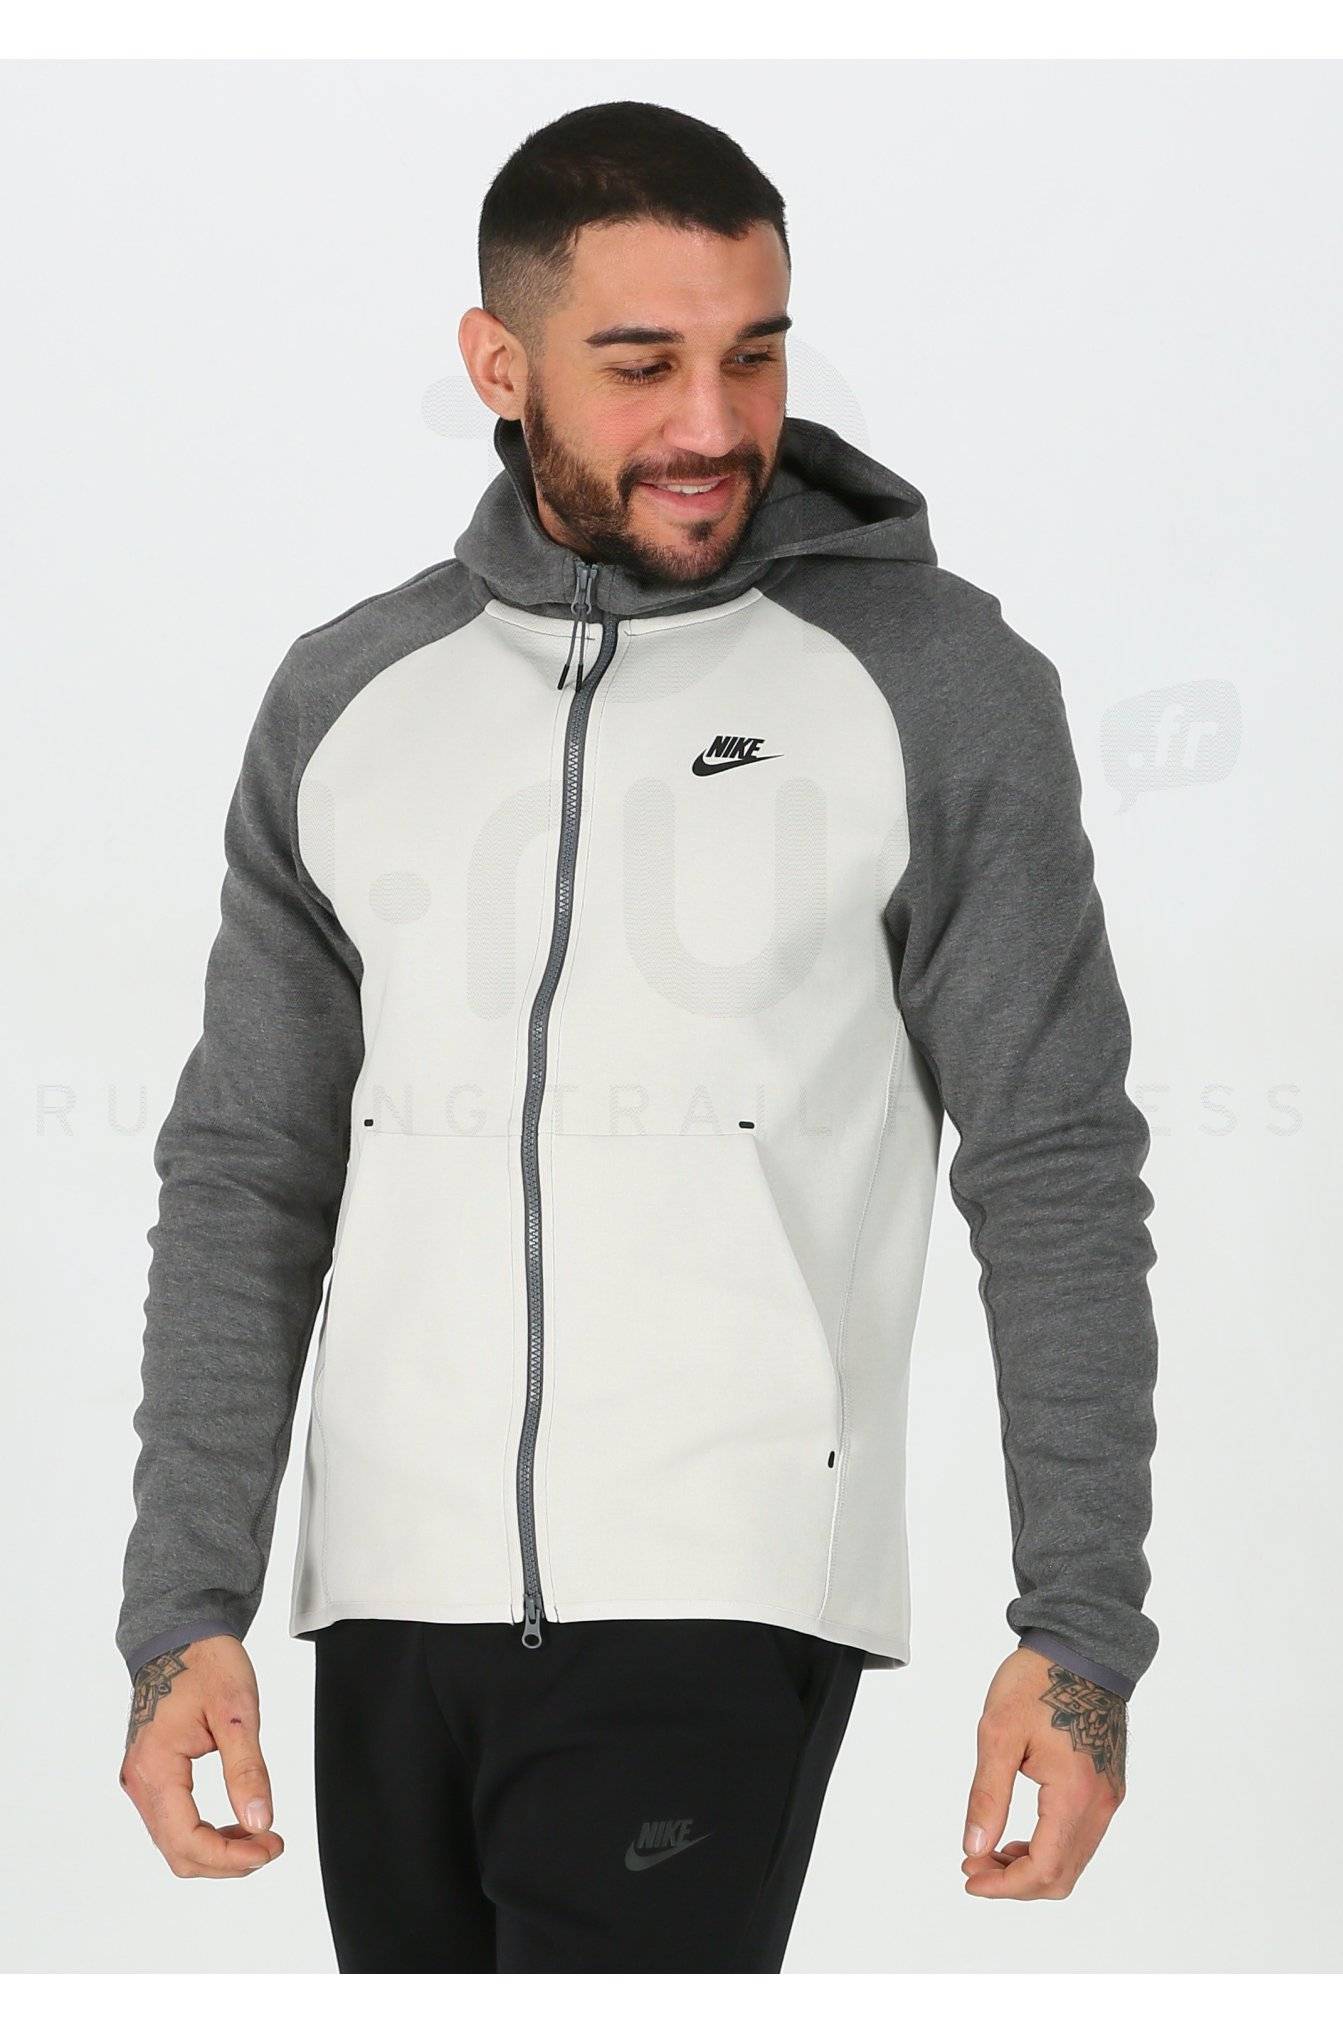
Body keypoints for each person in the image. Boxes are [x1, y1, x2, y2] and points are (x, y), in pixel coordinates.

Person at [116, 99, 1159, 1972]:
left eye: (755, 352)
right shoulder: (352, 696)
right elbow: (250, 1167)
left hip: (718, 1594)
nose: (712, 422)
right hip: (390, 1606)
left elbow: (1056, 1161)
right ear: (498, 366)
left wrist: (1080, 1635)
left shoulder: (935, 686)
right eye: (641, 363)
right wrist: (182, 1603)